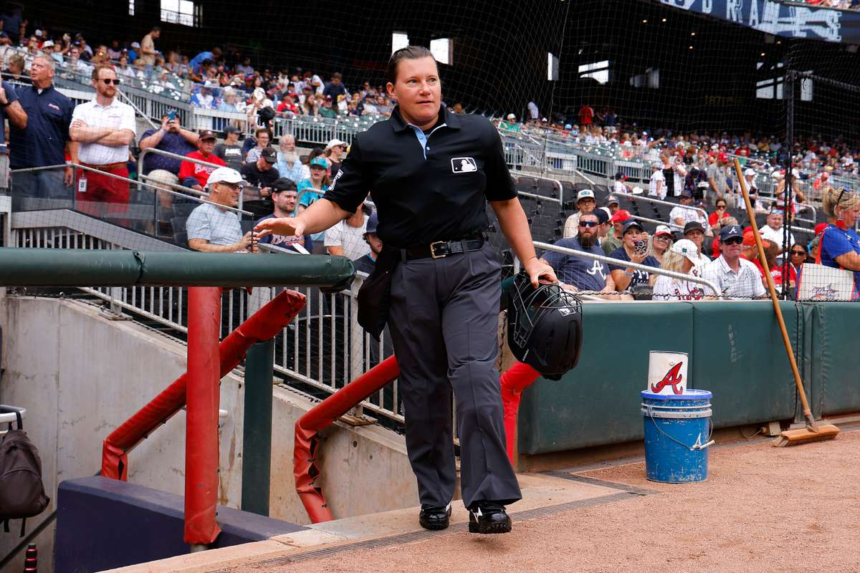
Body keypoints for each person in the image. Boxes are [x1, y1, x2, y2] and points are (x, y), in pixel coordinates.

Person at [255, 46, 556, 535]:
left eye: (432, 80)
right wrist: (299, 222)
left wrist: (531, 260)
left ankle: (487, 498)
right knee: (423, 390)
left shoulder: (478, 133)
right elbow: (339, 200)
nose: (426, 89)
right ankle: (435, 496)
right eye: (413, 81)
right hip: (409, 272)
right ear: (391, 91)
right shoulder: (374, 143)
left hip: (472, 268)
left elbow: (506, 202)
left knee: (477, 376)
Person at [70, 65, 136, 217]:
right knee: (84, 221)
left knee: (118, 222)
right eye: (107, 81)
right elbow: (75, 134)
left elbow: (124, 138)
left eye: (115, 81)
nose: (112, 84)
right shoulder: (82, 109)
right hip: (87, 172)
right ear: (94, 83)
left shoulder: (126, 109)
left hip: (116, 173)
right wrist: (109, 130)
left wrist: (89, 131)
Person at [9, 55, 75, 200]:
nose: (33, 68)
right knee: (19, 215)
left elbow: (71, 138)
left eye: (39, 66)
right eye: (33, 65)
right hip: (21, 167)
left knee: (50, 214)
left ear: (51, 72)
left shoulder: (64, 102)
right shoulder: (17, 95)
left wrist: (71, 166)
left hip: (51, 168)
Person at [540, 213, 622, 300]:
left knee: (627, 296)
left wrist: (608, 288)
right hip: (576, 297)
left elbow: (609, 278)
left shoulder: (599, 251)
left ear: (598, 227)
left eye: (592, 224)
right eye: (583, 224)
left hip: (600, 297)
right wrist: (560, 285)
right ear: (578, 227)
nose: (587, 227)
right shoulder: (567, 244)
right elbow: (541, 264)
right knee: (614, 297)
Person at [186, 166, 256, 253]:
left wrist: (249, 251)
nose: (238, 192)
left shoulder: (233, 216)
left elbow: (239, 248)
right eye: (233, 186)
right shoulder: (201, 212)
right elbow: (197, 247)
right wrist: (238, 246)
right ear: (216, 187)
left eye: (239, 188)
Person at [702, 225, 767, 299]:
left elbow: (762, 297)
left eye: (738, 240)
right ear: (720, 245)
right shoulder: (710, 270)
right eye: (729, 241)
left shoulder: (751, 267)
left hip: (750, 309)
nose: (734, 244)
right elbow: (713, 305)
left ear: (742, 244)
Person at [818, 187, 860, 296]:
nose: (858, 216)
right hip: (841, 298)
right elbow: (856, 264)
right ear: (840, 209)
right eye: (855, 211)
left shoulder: (851, 233)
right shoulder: (831, 234)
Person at [254, 178, 312, 253]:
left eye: (295, 197)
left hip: (299, 263)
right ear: (275, 196)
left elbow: (309, 252)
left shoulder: (300, 222)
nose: (292, 201)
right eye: (288, 196)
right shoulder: (265, 223)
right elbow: (258, 254)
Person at [138, 112, 199, 178]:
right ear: (162, 120)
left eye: (174, 118)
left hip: (189, 175)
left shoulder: (187, 134)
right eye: (168, 117)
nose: (171, 120)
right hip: (161, 174)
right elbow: (144, 147)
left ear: (179, 121)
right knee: (160, 178)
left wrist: (180, 130)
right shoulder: (152, 132)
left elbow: (202, 142)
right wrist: (163, 130)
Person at [608, 219, 660, 292]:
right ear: (623, 238)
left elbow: (652, 285)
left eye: (637, 233)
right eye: (629, 233)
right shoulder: (616, 256)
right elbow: (620, 287)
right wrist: (633, 264)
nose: (634, 236)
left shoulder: (646, 256)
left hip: (644, 298)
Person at [240, 146, 280, 219]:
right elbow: (242, 191)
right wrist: (259, 192)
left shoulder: (274, 173)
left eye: (272, 163)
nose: (269, 165)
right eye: (267, 161)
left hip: (267, 208)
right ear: (261, 157)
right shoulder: (247, 168)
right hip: (249, 206)